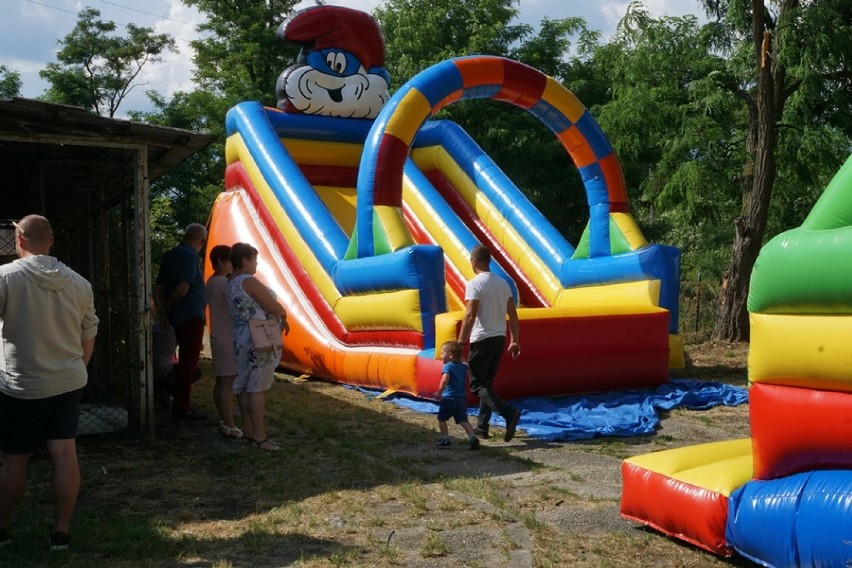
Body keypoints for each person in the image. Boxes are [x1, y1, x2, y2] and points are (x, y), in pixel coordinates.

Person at [0, 214, 99, 551]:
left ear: (19, 241)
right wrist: (78, 370)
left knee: (14, 459)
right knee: (64, 453)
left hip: (22, 385)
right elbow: (89, 335)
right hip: (68, 381)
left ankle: (1, 528)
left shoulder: (5, 278)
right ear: (52, 240)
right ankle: (61, 532)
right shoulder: (80, 283)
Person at [227, 243, 289, 452]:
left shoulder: (231, 283)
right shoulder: (248, 281)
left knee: (245, 386)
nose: (257, 263)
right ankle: (261, 437)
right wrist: (282, 313)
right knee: (257, 388)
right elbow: (270, 305)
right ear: (245, 260)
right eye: (254, 259)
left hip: (242, 338)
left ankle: (249, 432)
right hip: (260, 338)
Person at [457, 244, 522, 442]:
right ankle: (482, 428)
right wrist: (515, 340)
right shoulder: (503, 284)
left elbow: (470, 314)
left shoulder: (475, 284)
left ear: (474, 261)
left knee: (477, 385)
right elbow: (512, 313)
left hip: (482, 338)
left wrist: (460, 342)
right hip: (499, 338)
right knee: (486, 384)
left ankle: (508, 413)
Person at [154, 223, 208, 421]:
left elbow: (158, 288)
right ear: (202, 241)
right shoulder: (191, 256)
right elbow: (182, 288)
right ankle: (182, 407)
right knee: (188, 363)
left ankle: (167, 394)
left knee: (172, 359)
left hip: (175, 318)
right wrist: (169, 306)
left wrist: (164, 312)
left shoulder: (170, 254)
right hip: (189, 317)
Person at [206, 244, 241, 439]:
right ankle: (229, 423)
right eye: (229, 263)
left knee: (221, 381)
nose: (231, 267)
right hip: (227, 337)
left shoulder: (212, 281)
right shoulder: (222, 283)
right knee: (227, 382)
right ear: (220, 261)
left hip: (219, 335)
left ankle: (223, 417)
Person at [434, 340, 479, 450]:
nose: (441, 355)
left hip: (449, 398)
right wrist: (460, 356)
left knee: (442, 418)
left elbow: (445, 379)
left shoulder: (448, 366)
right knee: (463, 420)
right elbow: (467, 364)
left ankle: (445, 438)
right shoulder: (463, 366)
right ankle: (472, 436)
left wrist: (439, 392)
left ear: (450, 355)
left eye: (442, 353)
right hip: (462, 399)